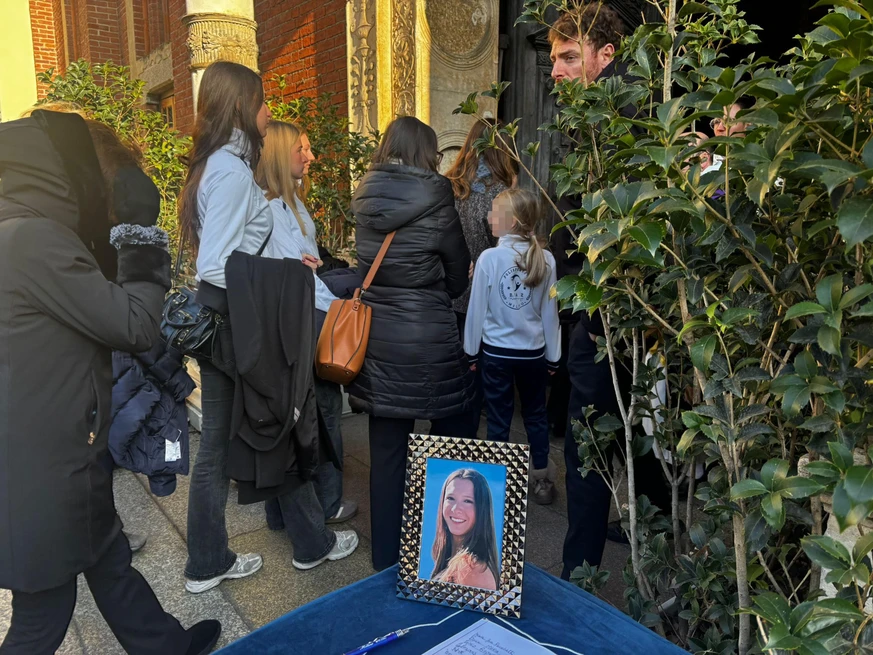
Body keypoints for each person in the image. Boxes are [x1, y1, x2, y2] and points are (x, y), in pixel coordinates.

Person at [0, 110, 220, 654]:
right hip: (44, 463)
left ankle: (165, 647)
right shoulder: (32, 240)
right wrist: (140, 233)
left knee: (108, 559)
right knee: (43, 615)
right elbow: (137, 325)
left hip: (58, 446)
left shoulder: (17, 227)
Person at [178, 61, 357, 593]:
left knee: (243, 435)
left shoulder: (218, 163)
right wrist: (280, 275)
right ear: (241, 106)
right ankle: (308, 544)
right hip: (239, 323)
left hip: (227, 320)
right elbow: (217, 265)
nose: (269, 112)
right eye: (262, 101)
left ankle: (214, 558)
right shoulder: (232, 171)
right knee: (275, 424)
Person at [548, 4, 671, 579]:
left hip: (615, 312)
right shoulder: (595, 124)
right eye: (552, 59)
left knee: (591, 443)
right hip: (628, 315)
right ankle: (657, 550)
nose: (555, 70)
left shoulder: (625, 123)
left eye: (569, 56)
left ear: (607, 56)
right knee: (639, 430)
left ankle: (581, 573)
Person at [349, 116, 477, 571]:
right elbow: (459, 277)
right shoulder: (437, 197)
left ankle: (385, 561)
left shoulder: (364, 198)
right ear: (427, 154)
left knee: (386, 454)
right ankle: (445, 559)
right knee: (452, 437)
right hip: (429, 339)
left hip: (379, 339)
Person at [255, 120, 358, 527]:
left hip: (301, 316)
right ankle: (326, 504)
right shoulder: (272, 208)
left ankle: (282, 512)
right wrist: (334, 304)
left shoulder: (288, 202)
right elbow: (292, 274)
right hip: (301, 321)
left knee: (303, 413)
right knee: (322, 410)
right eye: (303, 149)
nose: (310, 156)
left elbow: (301, 265)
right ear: (282, 154)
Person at [464, 188, 561, 505]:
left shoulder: (489, 259)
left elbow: (476, 309)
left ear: (513, 221)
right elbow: (550, 314)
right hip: (533, 354)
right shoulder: (545, 258)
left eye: (495, 212)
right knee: (535, 416)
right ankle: (542, 480)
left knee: (498, 418)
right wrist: (554, 356)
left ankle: (495, 482)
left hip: (496, 355)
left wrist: (470, 351)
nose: (489, 217)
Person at [445, 118, 518, 335]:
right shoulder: (499, 193)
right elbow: (508, 249)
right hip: (488, 299)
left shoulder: (447, 185)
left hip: (449, 292)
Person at [430, 469, 499, 590]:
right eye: (451, 498)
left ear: (482, 510)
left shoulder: (471, 568)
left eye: (468, 501)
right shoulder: (451, 560)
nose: (456, 509)